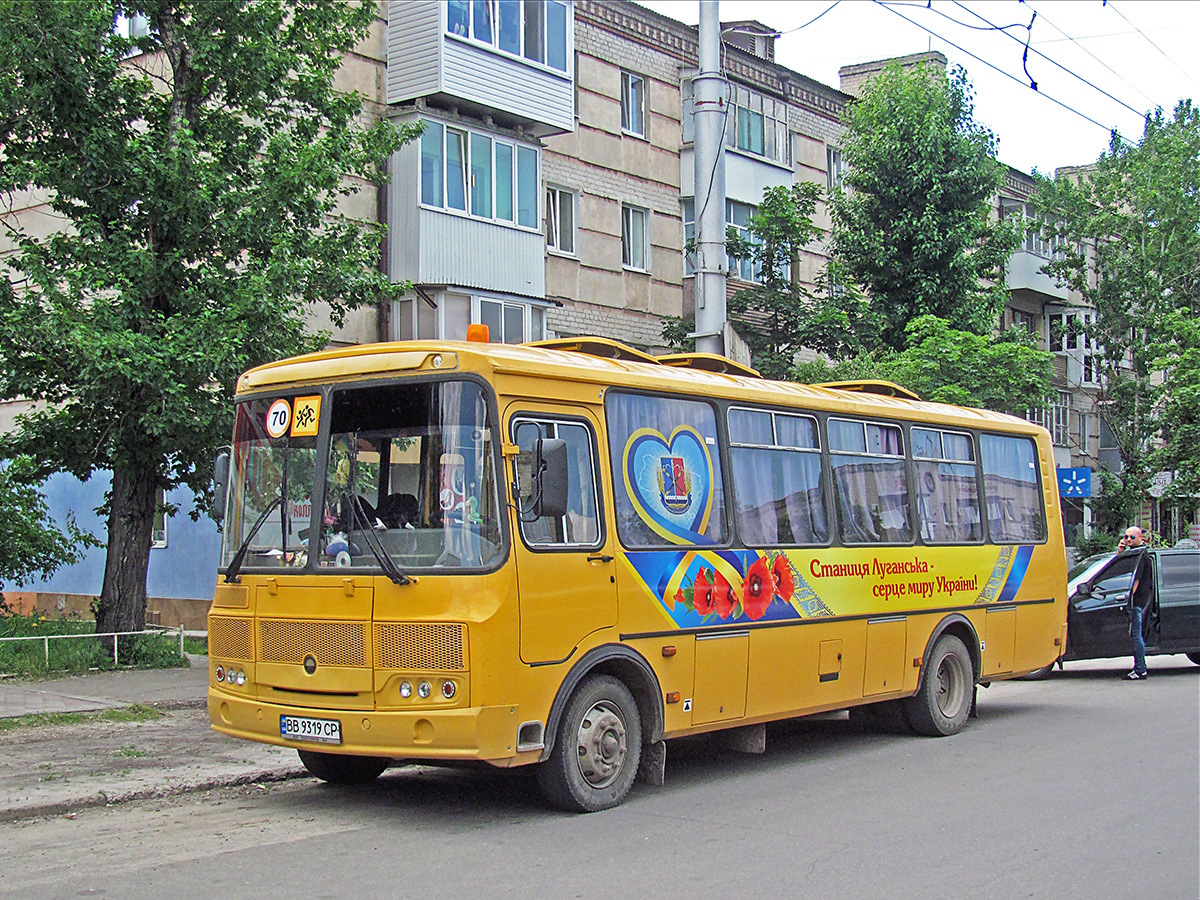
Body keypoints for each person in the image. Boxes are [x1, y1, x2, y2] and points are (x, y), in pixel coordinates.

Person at [1116, 526, 1152, 679]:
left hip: (1137, 601)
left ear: (1140, 538)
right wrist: (1120, 552)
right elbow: (1119, 569)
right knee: (1134, 634)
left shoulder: (1141, 555)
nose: (1128, 540)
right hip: (1134, 601)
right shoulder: (1132, 553)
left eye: (1132, 537)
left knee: (1136, 635)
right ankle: (1139, 667)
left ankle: (1140, 669)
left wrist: (1127, 596)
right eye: (1126, 537)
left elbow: (1135, 580)